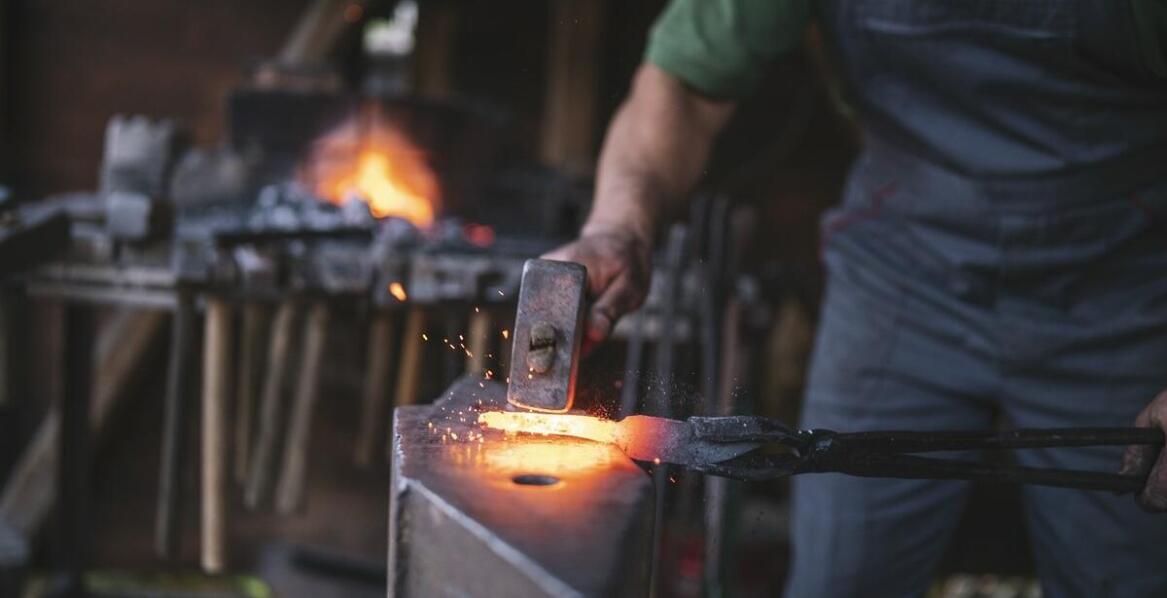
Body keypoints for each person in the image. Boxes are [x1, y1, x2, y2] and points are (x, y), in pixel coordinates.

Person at [545, 1, 1167, 596]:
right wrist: (616, 225)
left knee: (1121, 577)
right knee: (840, 581)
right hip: (901, 278)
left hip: (1124, 284)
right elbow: (683, 84)